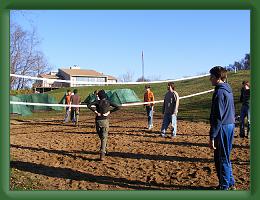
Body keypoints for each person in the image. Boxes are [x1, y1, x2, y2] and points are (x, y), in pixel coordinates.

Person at [209, 66, 236, 190]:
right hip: (230, 125)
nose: (210, 79)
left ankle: (224, 186)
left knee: (222, 157)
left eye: (212, 77)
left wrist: (212, 136)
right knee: (225, 156)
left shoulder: (220, 92)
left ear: (218, 78)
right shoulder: (228, 90)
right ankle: (230, 182)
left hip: (223, 127)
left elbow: (218, 117)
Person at [88, 89, 120, 161]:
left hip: (98, 121)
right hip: (105, 121)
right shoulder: (108, 102)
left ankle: (104, 150)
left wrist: (95, 112)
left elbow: (88, 105)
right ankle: (102, 153)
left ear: (99, 96)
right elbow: (118, 107)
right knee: (104, 137)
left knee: (102, 137)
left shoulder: (97, 102)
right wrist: (109, 112)